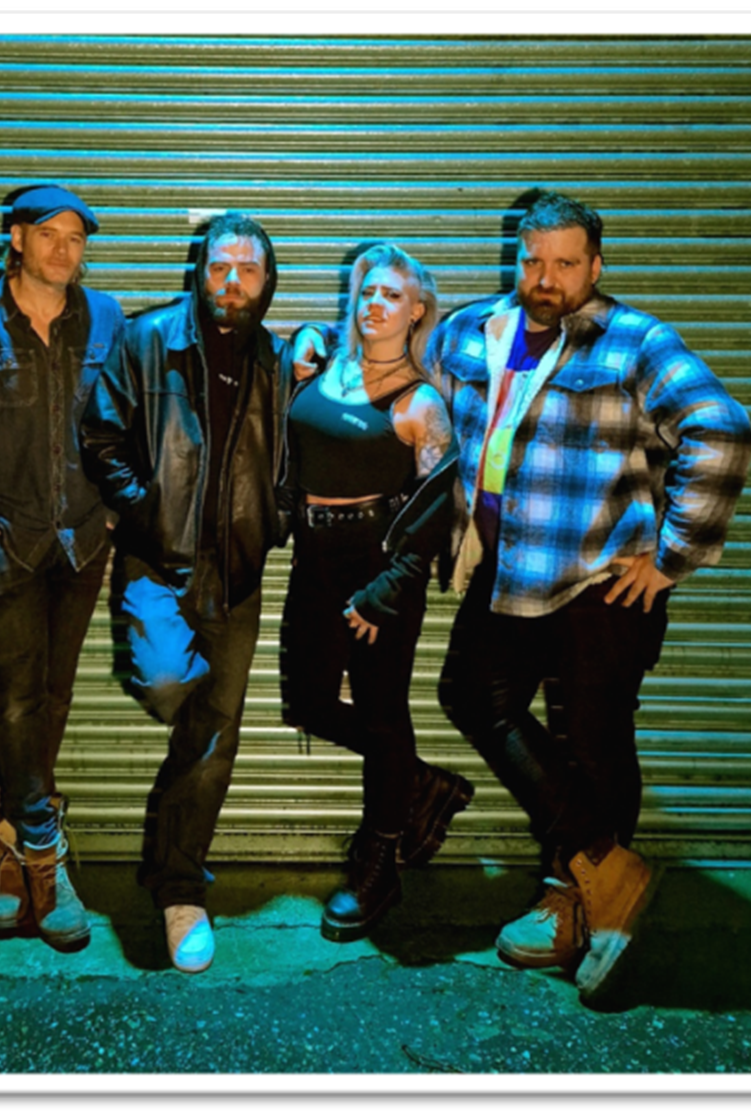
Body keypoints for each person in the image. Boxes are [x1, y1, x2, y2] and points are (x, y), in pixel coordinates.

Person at [430, 191, 751, 1000]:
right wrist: (313, 350)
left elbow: (721, 429)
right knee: (472, 694)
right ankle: (607, 869)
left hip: (602, 583)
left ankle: (578, 902)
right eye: (533, 260)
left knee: (596, 739)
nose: (546, 278)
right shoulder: (473, 331)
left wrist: (672, 556)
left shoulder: (635, 341)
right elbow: (404, 367)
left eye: (566, 263)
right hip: (509, 570)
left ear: (596, 265)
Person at [79, 213, 293, 974]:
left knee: (214, 741)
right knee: (170, 681)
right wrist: (145, 509)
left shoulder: (277, 360)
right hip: (157, 562)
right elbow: (100, 435)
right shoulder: (147, 340)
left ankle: (179, 888)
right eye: (220, 267)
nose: (232, 283)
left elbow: (295, 453)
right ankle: (177, 841)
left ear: (268, 282)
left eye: (248, 270)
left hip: (237, 575)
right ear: (198, 271)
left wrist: (277, 518)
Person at [0, 185, 125, 952]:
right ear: (17, 238)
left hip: (82, 539)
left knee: (54, 692)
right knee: (14, 696)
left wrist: (112, 512)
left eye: (76, 238)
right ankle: (45, 853)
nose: (64, 250)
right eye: (49, 234)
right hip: (7, 541)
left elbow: (129, 416)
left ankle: (5, 845)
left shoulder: (105, 317)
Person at [278, 244, 473, 943]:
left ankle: (380, 861)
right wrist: (300, 339)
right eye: (366, 291)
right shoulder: (323, 365)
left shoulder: (420, 401)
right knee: (307, 701)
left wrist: (387, 590)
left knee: (383, 714)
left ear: (417, 310)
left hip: (378, 563)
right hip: (313, 555)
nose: (375, 305)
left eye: (392, 295)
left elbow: (437, 508)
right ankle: (420, 782)